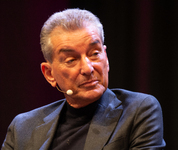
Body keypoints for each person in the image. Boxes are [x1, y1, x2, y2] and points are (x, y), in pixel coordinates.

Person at [1, 8, 166, 150]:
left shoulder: (138, 111)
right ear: (49, 74)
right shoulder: (23, 128)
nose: (88, 68)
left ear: (106, 58)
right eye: (71, 60)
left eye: (94, 54)